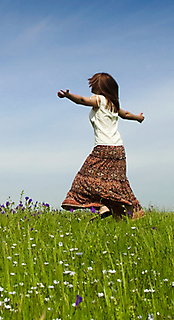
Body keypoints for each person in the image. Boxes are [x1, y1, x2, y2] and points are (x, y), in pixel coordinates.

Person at [57, 72, 145, 220]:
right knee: (114, 183)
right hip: (118, 150)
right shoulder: (112, 104)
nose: (91, 86)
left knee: (85, 179)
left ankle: (103, 206)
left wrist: (68, 95)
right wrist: (139, 118)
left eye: (93, 83)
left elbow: (82, 100)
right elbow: (126, 114)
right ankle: (122, 218)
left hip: (103, 148)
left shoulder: (99, 99)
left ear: (100, 87)